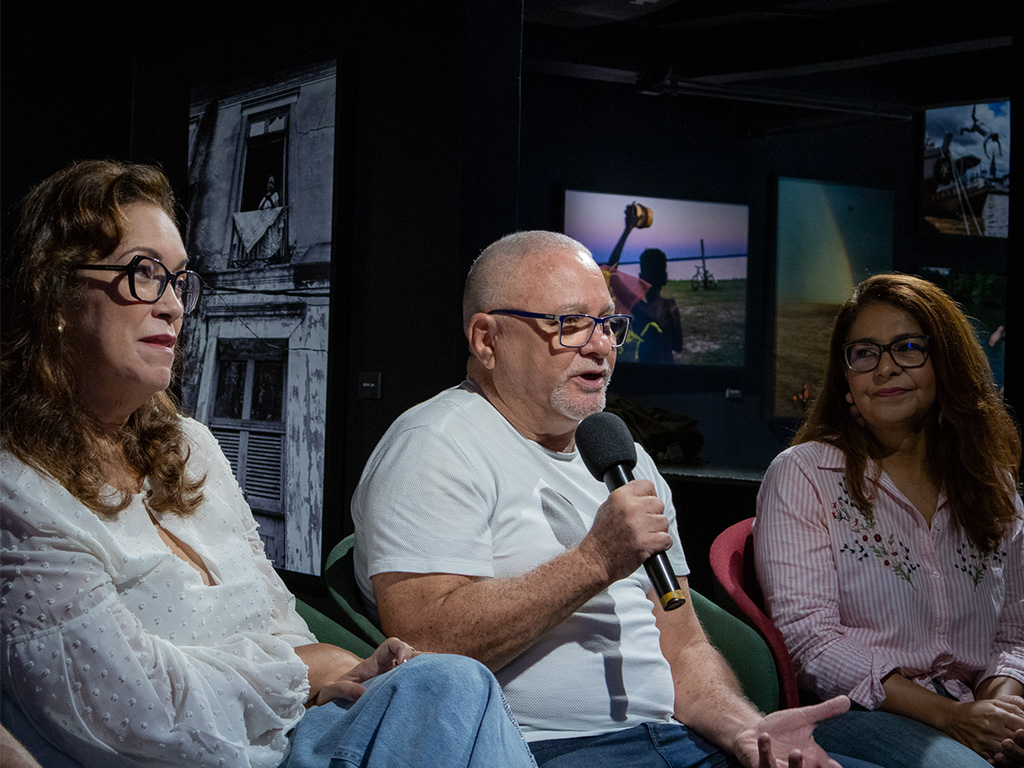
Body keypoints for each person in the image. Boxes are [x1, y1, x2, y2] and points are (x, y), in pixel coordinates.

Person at [0, 160, 538, 768]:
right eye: (144, 273)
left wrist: (333, 669)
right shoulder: (17, 489)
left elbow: (280, 617)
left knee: (450, 685)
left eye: (179, 280)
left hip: (295, 735)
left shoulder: (191, 444)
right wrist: (302, 672)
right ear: (56, 294)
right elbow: (139, 710)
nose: (173, 306)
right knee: (455, 689)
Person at [352, 230, 881, 768]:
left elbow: (683, 648)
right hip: (543, 749)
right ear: (487, 339)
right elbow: (430, 645)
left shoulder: (627, 459)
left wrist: (747, 730)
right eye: (570, 324)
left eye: (607, 323)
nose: (601, 346)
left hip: (675, 741)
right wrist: (596, 560)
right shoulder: (435, 445)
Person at [753, 273, 1024, 768]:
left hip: (973, 702)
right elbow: (811, 642)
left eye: (908, 347)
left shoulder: (991, 483)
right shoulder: (804, 474)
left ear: (947, 361)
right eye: (864, 353)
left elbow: (1014, 635)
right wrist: (950, 716)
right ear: (846, 376)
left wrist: (997, 715)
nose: (885, 367)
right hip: (859, 711)